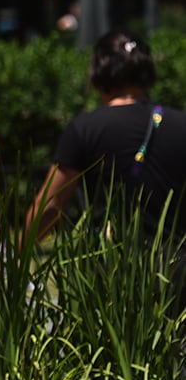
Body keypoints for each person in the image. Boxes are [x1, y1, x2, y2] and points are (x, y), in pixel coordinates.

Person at [27, 30, 186, 237]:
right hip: (174, 265)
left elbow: (49, 208)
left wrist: (19, 254)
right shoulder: (181, 123)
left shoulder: (84, 128)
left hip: (108, 265)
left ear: (98, 76)